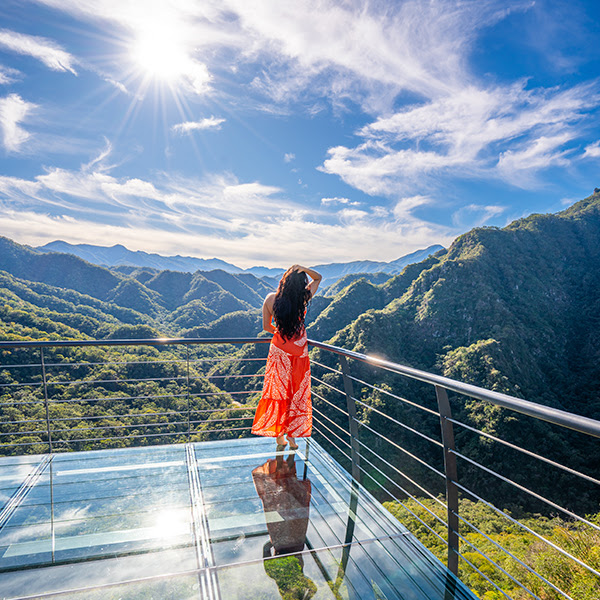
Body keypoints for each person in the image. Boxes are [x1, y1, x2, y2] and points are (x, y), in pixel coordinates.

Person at [251, 264, 322, 451]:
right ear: (301, 284)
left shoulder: (270, 299)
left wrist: (281, 333)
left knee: (278, 391)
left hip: (279, 349)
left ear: (283, 281)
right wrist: (303, 268)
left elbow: (266, 327)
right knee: (296, 392)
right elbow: (318, 278)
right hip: (299, 351)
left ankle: (279, 436)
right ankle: (292, 437)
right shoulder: (303, 298)